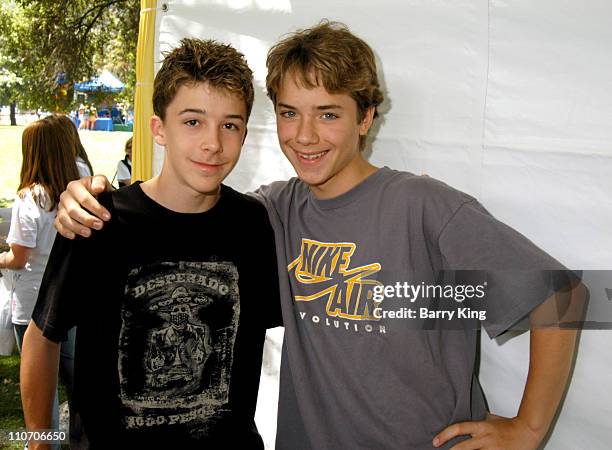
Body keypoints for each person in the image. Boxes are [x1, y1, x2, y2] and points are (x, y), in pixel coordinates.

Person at [53, 21, 583, 450]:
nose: (305, 136)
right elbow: (185, 208)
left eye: (328, 114)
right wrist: (91, 191)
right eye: (290, 114)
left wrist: (527, 430)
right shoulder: (271, 213)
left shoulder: (423, 209)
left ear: (366, 117)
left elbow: (563, 295)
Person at [20, 38, 280, 450]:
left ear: (245, 134)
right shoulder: (100, 218)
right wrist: (39, 442)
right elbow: (42, 334)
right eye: (192, 121)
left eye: (229, 124)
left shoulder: (254, 224)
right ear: (159, 128)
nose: (212, 142)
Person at [0, 117, 81, 448]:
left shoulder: (29, 198)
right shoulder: (80, 190)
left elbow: (18, 258)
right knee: (81, 388)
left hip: (34, 307)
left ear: (32, 152)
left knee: (40, 406)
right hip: (73, 301)